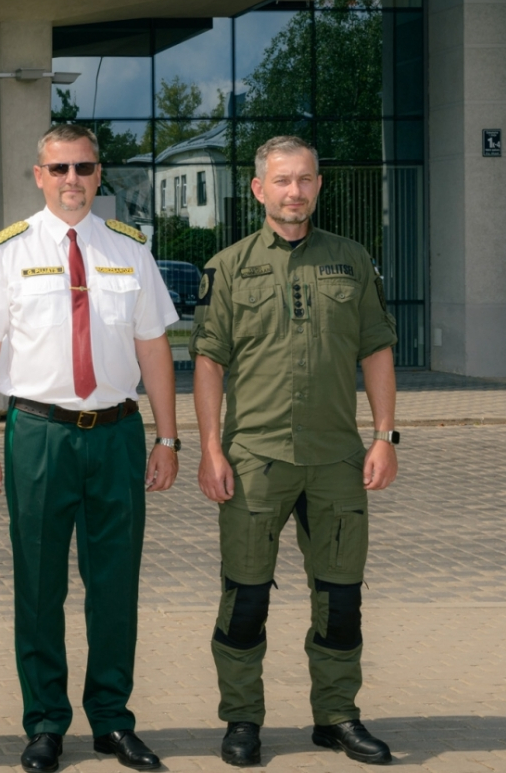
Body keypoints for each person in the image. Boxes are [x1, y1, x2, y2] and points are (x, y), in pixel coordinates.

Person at [0, 123, 180, 773]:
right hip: (40, 435)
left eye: (83, 168)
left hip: (117, 434)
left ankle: (112, 720)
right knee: (39, 583)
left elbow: (153, 349)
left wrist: (167, 436)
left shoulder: (129, 250)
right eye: (59, 169)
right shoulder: (7, 252)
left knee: (114, 585)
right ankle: (46, 723)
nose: (72, 181)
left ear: (99, 172)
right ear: (38, 175)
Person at [191, 136, 400, 768]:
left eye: (306, 179)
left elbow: (377, 350)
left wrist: (385, 436)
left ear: (318, 185)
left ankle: (336, 716)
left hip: (337, 459)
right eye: (282, 180)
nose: (295, 191)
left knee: (340, 600)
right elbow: (208, 362)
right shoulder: (226, 268)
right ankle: (242, 720)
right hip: (254, 459)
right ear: (258, 190)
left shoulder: (352, 259)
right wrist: (209, 447)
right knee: (245, 598)